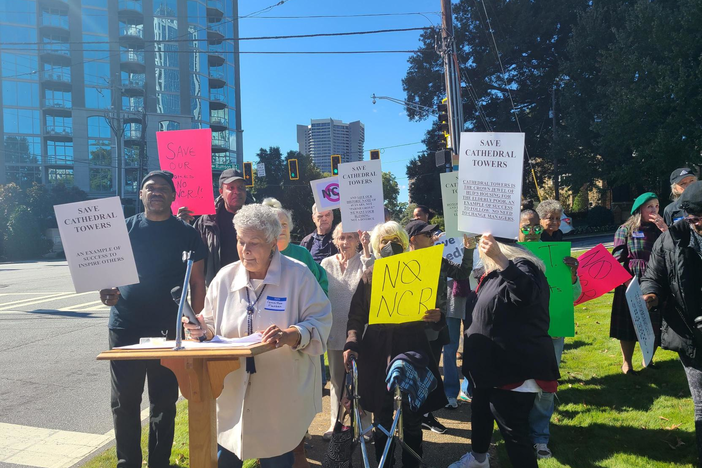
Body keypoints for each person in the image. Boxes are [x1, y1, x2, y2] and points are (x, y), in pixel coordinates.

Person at [183, 204, 332, 468]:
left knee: (277, 457)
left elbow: (320, 321)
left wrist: (291, 335)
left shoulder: (298, 275)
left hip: (279, 392)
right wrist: (200, 330)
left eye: (255, 243)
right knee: (226, 456)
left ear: (273, 243)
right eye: (241, 241)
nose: (245, 250)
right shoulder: (224, 278)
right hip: (230, 390)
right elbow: (210, 322)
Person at [100, 170, 207, 468]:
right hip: (125, 326)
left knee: (163, 402)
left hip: (169, 330)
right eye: (150, 188)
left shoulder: (188, 233)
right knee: (125, 401)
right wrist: (106, 293)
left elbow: (197, 281)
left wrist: (196, 322)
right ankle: (128, 463)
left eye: (163, 188)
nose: (156, 192)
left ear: (173, 196)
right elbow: (107, 279)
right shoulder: (124, 230)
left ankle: (159, 463)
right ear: (141, 195)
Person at [449, 234, 559, 468]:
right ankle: (478, 460)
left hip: (512, 368)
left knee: (514, 433)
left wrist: (499, 258)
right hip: (488, 368)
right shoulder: (494, 273)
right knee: (480, 414)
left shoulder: (523, 267)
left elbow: (526, 294)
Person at [344, 221, 447, 468]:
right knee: (382, 414)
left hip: (413, 349)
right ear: (377, 246)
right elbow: (356, 316)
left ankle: (412, 464)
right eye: (385, 241)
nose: (391, 245)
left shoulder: (421, 273)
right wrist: (351, 344)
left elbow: (435, 312)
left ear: (404, 242)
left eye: (396, 240)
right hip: (377, 351)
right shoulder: (370, 275)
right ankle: (384, 463)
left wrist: (438, 317)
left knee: (412, 414)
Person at [642, 180, 702, 466]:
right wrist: (649, 294)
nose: (695, 224)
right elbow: (654, 275)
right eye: (691, 218)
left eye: (700, 218)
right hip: (689, 333)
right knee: (701, 401)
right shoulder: (670, 239)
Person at [519, 208, 581, 459]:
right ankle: (519, 431)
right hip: (519, 334)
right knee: (519, 384)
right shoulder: (504, 255)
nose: (532, 232)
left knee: (546, 386)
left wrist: (573, 276)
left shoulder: (554, 255)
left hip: (552, 331)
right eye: (526, 227)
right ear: (517, 229)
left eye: (536, 227)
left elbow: (573, 297)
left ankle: (540, 436)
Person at [405, 220, 474, 430]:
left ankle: (425, 415)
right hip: (409, 331)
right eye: (427, 235)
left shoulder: (438, 259)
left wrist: (469, 250)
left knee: (431, 373)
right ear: (413, 239)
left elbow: (462, 273)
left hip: (435, 329)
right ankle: (409, 417)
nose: (433, 237)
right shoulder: (401, 262)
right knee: (410, 374)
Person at [320, 224, 374, 441]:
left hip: (360, 333)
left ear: (358, 240)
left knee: (363, 381)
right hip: (333, 331)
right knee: (337, 381)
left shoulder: (364, 262)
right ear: (335, 240)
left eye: (350, 237)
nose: (345, 242)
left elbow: (373, 276)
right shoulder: (326, 263)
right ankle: (337, 423)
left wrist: (367, 250)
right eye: (341, 237)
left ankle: (366, 426)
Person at [611, 192, 667, 374]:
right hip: (631, 280)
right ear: (639, 209)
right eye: (650, 206)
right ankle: (627, 362)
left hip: (655, 279)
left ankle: (648, 358)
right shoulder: (625, 230)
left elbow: (673, 249)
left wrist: (665, 229)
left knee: (655, 322)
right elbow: (617, 259)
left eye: (657, 206)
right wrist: (628, 283)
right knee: (628, 323)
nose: (654, 210)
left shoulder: (660, 229)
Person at [178, 168, 248, 286]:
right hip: (218, 285)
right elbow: (190, 251)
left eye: (241, 187)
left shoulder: (257, 218)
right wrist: (182, 225)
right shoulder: (206, 221)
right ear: (221, 191)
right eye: (231, 188)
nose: (237, 191)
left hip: (250, 284)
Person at [262, 198, 328, 295]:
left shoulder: (302, 253)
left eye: (284, 224)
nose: (281, 229)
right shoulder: (260, 255)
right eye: (276, 224)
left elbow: (320, 282)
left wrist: (318, 306)